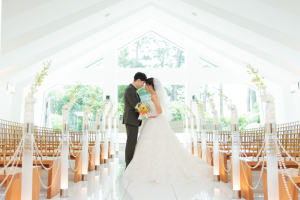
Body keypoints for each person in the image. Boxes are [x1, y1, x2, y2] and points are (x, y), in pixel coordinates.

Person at [122, 78, 213, 183]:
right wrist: (146, 113)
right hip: (151, 122)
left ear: (151, 85)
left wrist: (148, 114)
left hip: (155, 121)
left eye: (146, 85)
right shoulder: (152, 95)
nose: (144, 87)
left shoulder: (155, 95)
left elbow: (159, 110)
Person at [123, 72, 147, 167]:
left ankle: (130, 164)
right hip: (131, 120)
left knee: (132, 142)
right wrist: (145, 111)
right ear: (138, 80)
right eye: (143, 83)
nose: (142, 85)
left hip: (133, 120)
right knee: (131, 143)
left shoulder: (133, 90)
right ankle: (128, 166)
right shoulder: (130, 89)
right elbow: (135, 105)